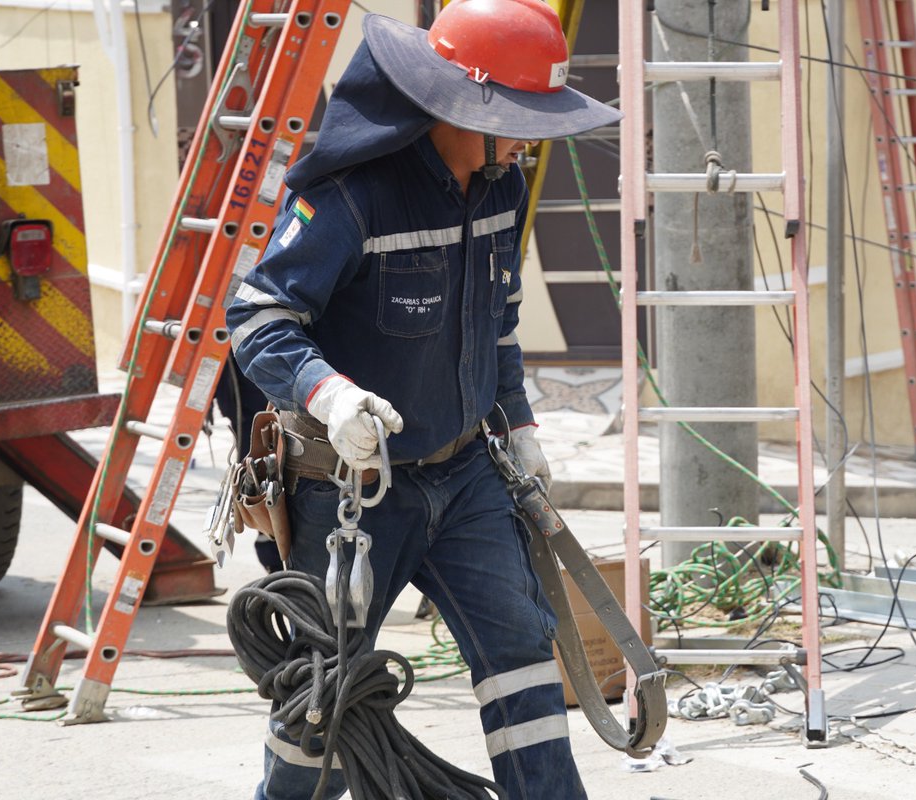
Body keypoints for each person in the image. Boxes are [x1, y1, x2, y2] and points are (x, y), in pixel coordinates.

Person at [225, 0, 620, 797]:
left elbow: (498, 328)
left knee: (523, 661)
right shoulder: (350, 198)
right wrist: (333, 399)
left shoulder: (501, 188)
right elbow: (259, 319)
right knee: (325, 697)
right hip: (356, 491)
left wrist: (523, 426)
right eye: (512, 119)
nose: (522, 140)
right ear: (450, 106)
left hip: (469, 478)